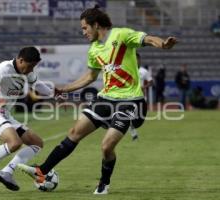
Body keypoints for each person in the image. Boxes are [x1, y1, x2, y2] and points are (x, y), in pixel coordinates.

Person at [18, 5, 177, 194]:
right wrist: (64, 90)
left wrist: (163, 44)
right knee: (74, 132)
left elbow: (147, 39)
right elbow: (89, 77)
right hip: (106, 99)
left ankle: (104, 183)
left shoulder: (121, 35)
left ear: (96, 25)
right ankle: (42, 170)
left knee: (106, 147)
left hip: (130, 101)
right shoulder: (94, 50)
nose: (83, 32)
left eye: (85, 28)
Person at [0, 47, 55, 194]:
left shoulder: (27, 71)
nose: (31, 70)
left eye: (34, 66)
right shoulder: (4, 68)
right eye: (30, 66)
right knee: (14, 143)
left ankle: (7, 172)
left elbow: (37, 84)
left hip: (4, 114)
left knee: (36, 142)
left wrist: (54, 92)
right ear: (20, 60)